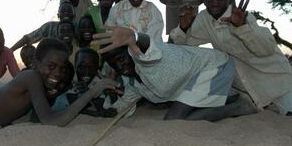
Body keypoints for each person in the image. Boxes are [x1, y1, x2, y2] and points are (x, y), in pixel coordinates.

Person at [170, 0, 292, 116]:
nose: (215, 2)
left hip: (274, 80)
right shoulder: (204, 18)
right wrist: (184, 28)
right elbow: (186, 44)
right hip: (241, 85)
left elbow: (265, 50)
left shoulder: (244, 17)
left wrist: (242, 27)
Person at [93, 26, 257, 121]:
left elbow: (147, 45)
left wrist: (134, 36)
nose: (119, 65)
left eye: (121, 58)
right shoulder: (131, 82)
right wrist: (111, 111)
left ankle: (240, 108)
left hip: (213, 66)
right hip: (195, 77)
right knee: (183, 114)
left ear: (130, 51)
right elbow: (128, 100)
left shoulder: (144, 59)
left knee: (174, 119)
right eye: (113, 62)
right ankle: (228, 98)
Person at [66, 48, 118, 117]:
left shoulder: (99, 81)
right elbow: (72, 108)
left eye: (91, 68)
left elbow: (101, 104)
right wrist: (100, 113)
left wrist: (90, 94)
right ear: (75, 66)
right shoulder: (68, 80)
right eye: (82, 67)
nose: (87, 72)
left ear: (97, 68)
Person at [10, 1, 75, 51]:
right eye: (63, 11)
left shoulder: (80, 28)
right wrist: (10, 50)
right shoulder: (49, 27)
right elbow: (28, 38)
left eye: (69, 11)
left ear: (74, 15)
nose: (66, 13)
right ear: (58, 15)